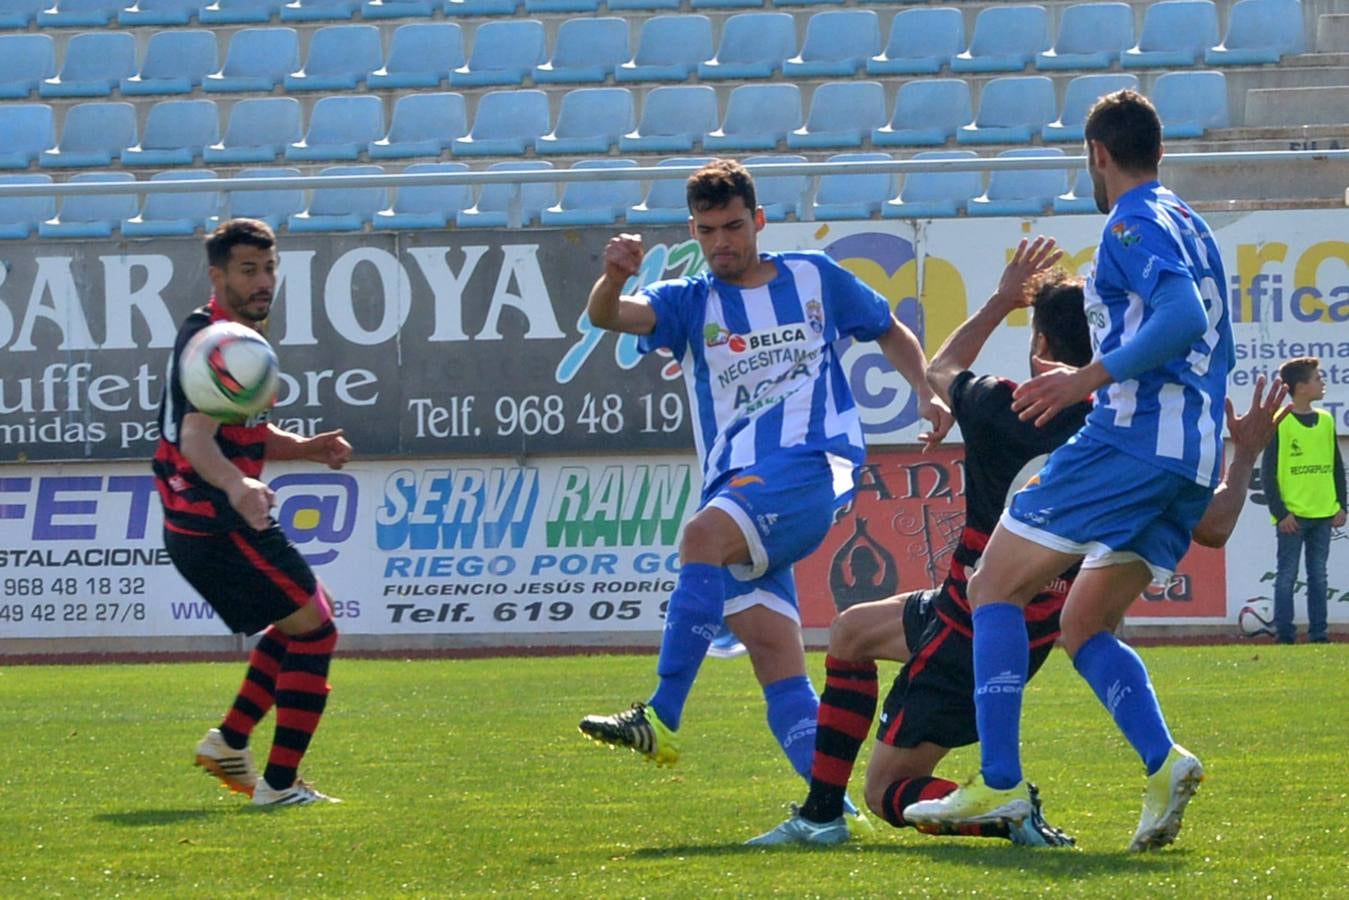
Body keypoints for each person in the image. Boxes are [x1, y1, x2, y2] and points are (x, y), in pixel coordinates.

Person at [750, 241, 1287, 848]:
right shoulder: (1128, 437)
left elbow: (940, 367)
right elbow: (1214, 526)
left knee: (885, 792)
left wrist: (1002, 298)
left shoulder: (1006, 405)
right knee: (850, 631)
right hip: (1024, 628)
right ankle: (822, 813)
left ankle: (1001, 808)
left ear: (1041, 348)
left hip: (970, 624)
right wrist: (1243, 454)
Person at [904, 89, 1235, 853]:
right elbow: (1204, 329)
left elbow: (1181, 318)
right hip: (1188, 457)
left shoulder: (1129, 221)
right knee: (1083, 623)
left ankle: (998, 780)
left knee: (992, 584)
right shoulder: (1191, 222)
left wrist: (1085, 380)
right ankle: (1162, 763)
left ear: (1096, 154)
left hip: (1133, 441)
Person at [577, 160, 953, 811]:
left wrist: (924, 390)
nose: (720, 242)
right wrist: (611, 278)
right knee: (776, 663)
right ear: (693, 231)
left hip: (813, 467)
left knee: (699, 536)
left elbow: (887, 329)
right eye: (706, 230)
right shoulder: (686, 301)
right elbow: (610, 316)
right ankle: (832, 813)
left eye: (731, 227)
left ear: (757, 221)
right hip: (740, 486)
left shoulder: (812, 277)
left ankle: (662, 713)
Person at [154, 218, 353, 808]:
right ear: (217, 275)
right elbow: (196, 439)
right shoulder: (218, 341)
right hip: (216, 521)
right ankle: (279, 785)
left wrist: (306, 448)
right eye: (248, 270)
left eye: (269, 268)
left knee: (306, 618)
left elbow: (241, 431)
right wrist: (237, 484)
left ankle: (230, 741)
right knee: (316, 631)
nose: (264, 281)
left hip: (210, 517)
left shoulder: (229, 334)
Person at [1261, 356, 1346, 644]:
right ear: (1300, 387)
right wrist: (1280, 512)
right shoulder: (1280, 423)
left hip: (1324, 513)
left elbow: (1336, 467)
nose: (1322, 383)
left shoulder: (1325, 420)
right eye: (1317, 378)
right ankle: (1285, 636)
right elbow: (1268, 473)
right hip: (1292, 518)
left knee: (1318, 577)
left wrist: (1342, 506)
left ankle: (1319, 635)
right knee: (1286, 577)